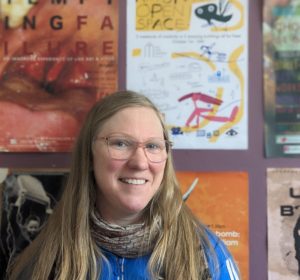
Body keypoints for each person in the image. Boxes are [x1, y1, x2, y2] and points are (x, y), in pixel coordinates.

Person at [6, 90, 240, 280]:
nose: (140, 162)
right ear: (89, 155)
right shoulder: (44, 262)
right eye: (120, 143)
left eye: (153, 146)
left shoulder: (207, 255)